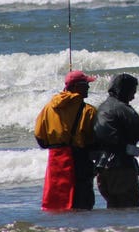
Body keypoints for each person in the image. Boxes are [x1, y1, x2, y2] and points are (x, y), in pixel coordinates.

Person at [34, 70, 98, 211]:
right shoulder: (89, 110)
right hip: (78, 160)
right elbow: (92, 139)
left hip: (55, 159)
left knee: (56, 203)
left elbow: (39, 137)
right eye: (86, 84)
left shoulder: (48, 108)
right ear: (76, 87)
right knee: (82, 204)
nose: (88, 87)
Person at [93, 73, 139, 208]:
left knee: (114, 208)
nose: (133, 97)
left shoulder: (102, 107)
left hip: (102, 167)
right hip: (120, 167)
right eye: (132, 92)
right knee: (130, 207)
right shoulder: (123, 108)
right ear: (123, 90)